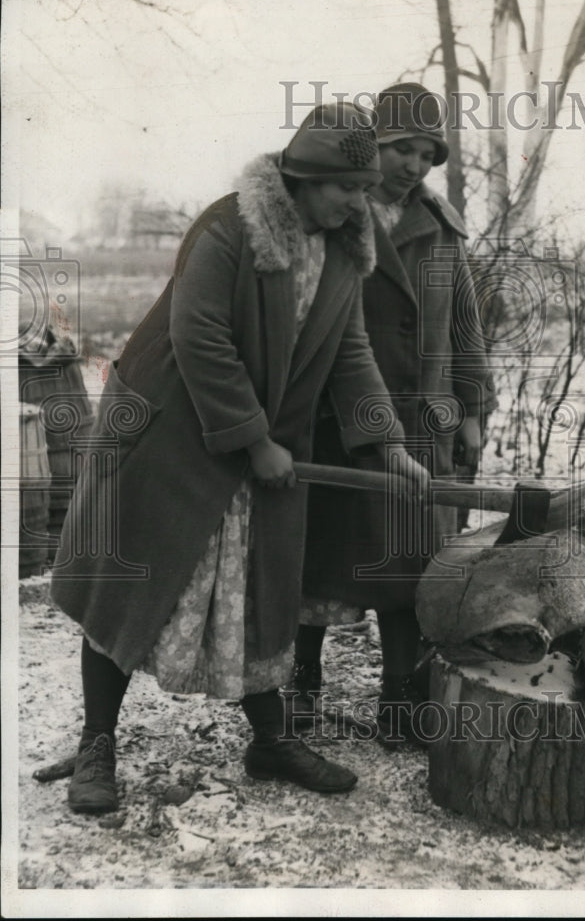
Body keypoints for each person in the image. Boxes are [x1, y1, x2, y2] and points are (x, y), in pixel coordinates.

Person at [50, 101, 428, 814]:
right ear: (306, 177)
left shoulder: (347, 249)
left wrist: (388, 441)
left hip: (267, 444)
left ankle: (269, 740)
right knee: (133, 582)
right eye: (347, 186)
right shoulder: (231, 227)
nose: (360, 199)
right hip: (168, 428)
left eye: (363, 186)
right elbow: (200, 338)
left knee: (258, 586)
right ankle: (98, 741)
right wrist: (252, 440)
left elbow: (351, 352)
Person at [297, 83, 495, 745]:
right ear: (372, 147)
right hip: (339, 422)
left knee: (413, 567)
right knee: (322, 559)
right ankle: (300, 687)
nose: (413, 165)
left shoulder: (440, 229)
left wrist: (470, 409)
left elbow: (465, 326)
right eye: (400, 149)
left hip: (424, 422)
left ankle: (402, 699)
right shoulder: (335, 218)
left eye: (426, 154)